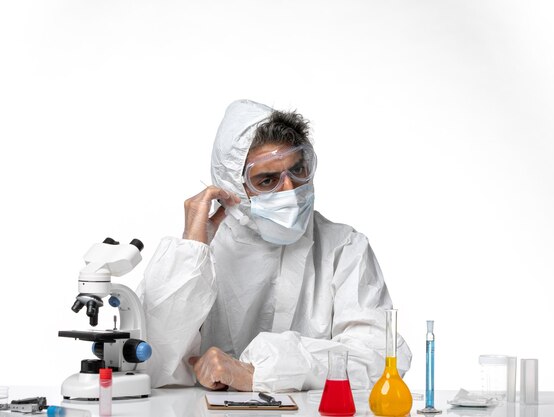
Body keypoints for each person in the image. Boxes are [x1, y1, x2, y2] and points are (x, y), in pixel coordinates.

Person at [138, 99, 411, 392]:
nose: (290, 191)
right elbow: (154, 362)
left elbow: (378, 357)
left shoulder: (343, 248)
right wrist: (191, 249)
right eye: (267, 180)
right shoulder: (202, 254)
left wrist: (258, 371)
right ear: (232, 186)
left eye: (298, 170)